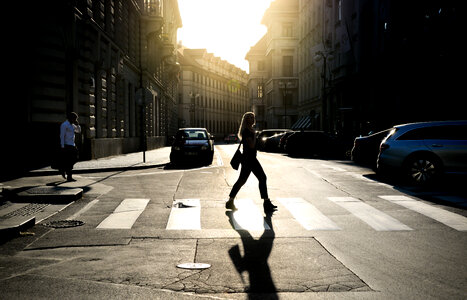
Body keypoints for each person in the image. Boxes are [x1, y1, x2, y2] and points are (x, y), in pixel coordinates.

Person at [226, 112, 277, 212]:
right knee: (257, 178)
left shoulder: (251, 130)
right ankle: (266, 203)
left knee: (247, 180)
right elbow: (252, 145)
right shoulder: (246, 131)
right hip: (248, 159)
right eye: (249, 117)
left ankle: (230, 201)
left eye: (253, 117)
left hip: (251, 158)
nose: (252, 118)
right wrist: (254, 135)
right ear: (246, 120)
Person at [59, 112, 81, 181]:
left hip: (72, 144)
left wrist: (77, 125)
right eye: (74, 119)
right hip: (67, 145)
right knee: (69, 160)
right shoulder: (64, 125)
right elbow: (62, 136)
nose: (75, 120)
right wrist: (62, 146)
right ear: (71, 118)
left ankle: (63, 168)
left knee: (75, 158)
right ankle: (69, 176)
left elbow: (79, 131)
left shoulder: (72, 125)